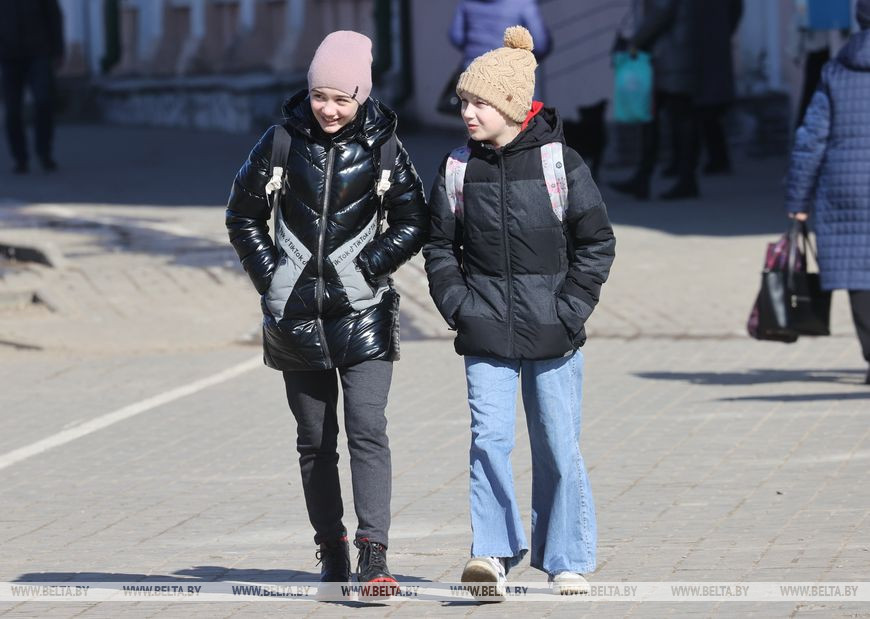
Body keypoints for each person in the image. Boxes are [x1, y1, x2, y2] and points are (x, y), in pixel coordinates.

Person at [225, 31, 428, 589]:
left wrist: (370, 266)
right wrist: (272, 276)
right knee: (315, 442)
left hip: (362, 311)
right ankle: (331, 546)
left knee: (368, 429)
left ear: (361, 94)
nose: (329, 109)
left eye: (342, 98)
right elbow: (242, 215)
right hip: (295, 316)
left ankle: (374, 554)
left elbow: (414, 220)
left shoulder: (385, 148)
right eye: (320, 96)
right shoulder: (280, 142)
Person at [423, 26, 616, 599]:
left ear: (510, 105)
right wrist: (459, 306)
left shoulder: (561, 162)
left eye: (478, 103)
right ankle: (492, 553)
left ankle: (566, 559)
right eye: (463, 101)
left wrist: (571, 310)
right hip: (484, 328)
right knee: (488, 440)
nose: (467, 113)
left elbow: (597, 242)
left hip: (554, 331)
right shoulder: (457, 167)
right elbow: (438, 246)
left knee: (558, 444)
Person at [785, 0, 870, 385]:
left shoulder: (837, 69)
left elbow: (811, 140)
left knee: (859, 272)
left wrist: (798, 201)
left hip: (845, 187)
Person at [610, 0, 698, 200]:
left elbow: (661, 13)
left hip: (670, 59)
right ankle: (647, 177)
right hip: (673, 57)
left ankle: (678, 179)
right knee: (664, 117)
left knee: (674, 118)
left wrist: (634, 42)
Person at [0, 0, 64, 174]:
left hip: (39, 54)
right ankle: (20, 158)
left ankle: (44, 152)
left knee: (43, 101)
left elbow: (54, 17)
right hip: (8, 58)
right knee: (12, 110)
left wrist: (58, 50)